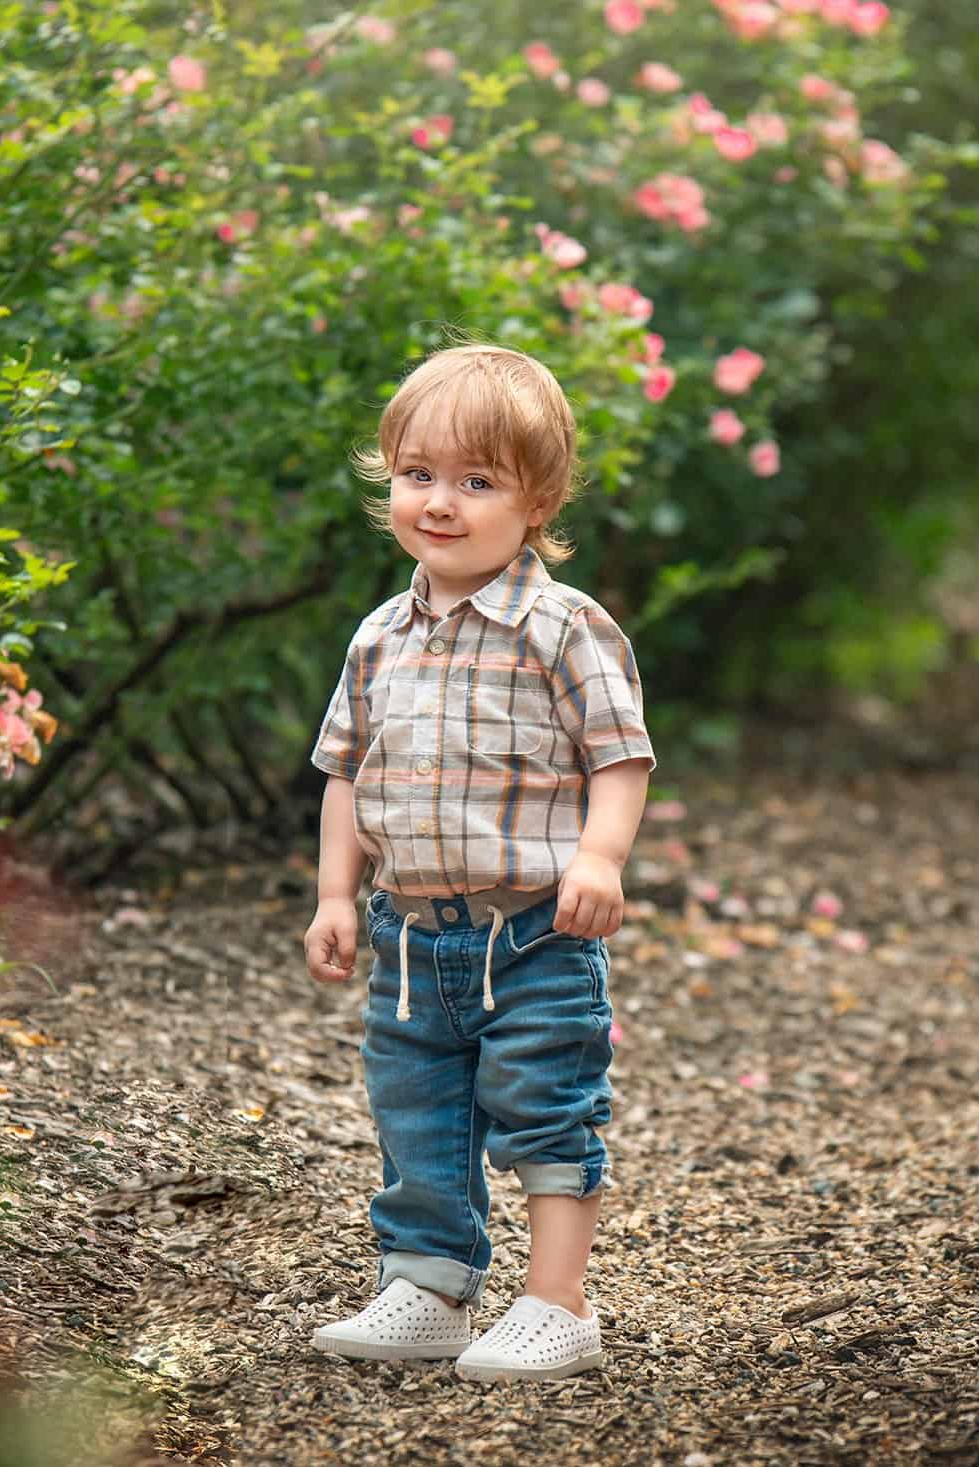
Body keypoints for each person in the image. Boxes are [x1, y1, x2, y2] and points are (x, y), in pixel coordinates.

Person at [301, 341, 655, 1382]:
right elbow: (343, 774)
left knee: (543, 1106)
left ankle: (557, 1303)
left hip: (535, 931)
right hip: (410, 937)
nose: (439, 503)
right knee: (416, 1111)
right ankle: (429, 1286)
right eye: (418, 476)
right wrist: (333, 892)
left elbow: (619, 757)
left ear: (535, 501)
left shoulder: (564, 629)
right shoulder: (379, 636)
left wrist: (598, 858)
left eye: (475, 481)